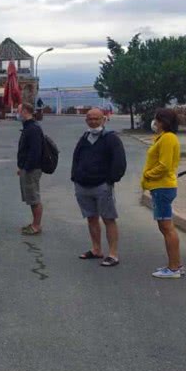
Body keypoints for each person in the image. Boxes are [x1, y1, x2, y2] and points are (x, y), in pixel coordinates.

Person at [72, 108, 127, 266]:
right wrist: (75, 177)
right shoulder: (85, 138)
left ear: (103, 120)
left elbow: (119, 162)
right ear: (86, 120)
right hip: (83, 185)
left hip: (102, 185)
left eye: (96, 119)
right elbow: (76, 158)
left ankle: (113, 254)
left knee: (108, 218)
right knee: (91, 218)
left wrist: (110, 180)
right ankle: (96, 249)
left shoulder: (111, 138)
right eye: (90, 119)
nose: (93, 122)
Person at [143, 108, 183, 279]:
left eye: (156, 119)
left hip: (162, 187)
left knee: (167, 228)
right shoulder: (163, 138)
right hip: (161, 186)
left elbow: (164, 165)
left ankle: (173, 268)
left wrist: (148, 175)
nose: (154, 122)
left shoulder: (167, 138)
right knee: (165, 227)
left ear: (162, 121)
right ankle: (176, 264)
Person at [17, 102, 43, 235]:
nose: (17, 113)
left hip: (31, 169)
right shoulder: (29, 126)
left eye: (19, 110)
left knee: (34, 197)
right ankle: (34, 223)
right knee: (31, 197)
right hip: (27, 167)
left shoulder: (32, 128)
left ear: (25, 111)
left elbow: (35, 151)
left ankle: (36, 225)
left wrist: (26, 167)